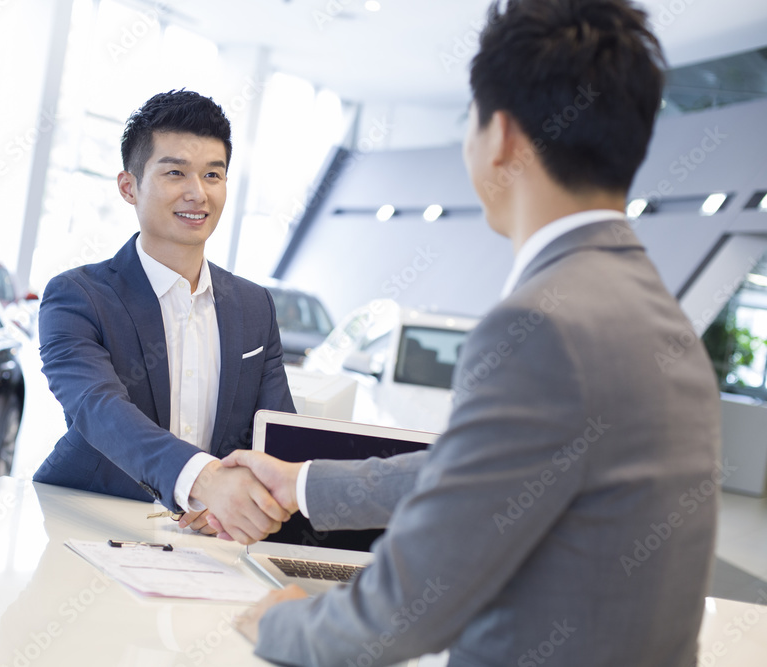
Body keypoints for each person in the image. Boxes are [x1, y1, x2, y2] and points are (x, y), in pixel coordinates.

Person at [220, 0, 722, 663]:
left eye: (470, 120)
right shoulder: (662, 318)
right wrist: (304, 482)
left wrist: (278, 623)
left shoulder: (542, 325)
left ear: (503, 137)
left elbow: (405, 612)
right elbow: (477, 470)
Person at [33, 90, 295, 545]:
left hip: (208, 540)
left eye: (214, 174)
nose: (198, 192)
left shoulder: (255, 306)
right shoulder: (77, 297)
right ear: (128, 186)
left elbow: (276, 434)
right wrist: (203, 481)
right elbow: (99, 409)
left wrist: (243, 495)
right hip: (87, 526)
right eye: (175, 172)